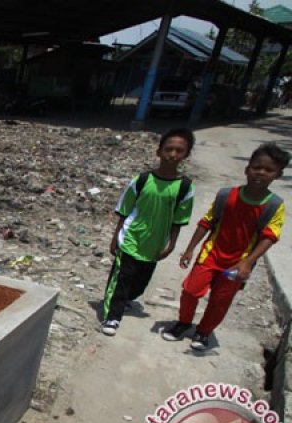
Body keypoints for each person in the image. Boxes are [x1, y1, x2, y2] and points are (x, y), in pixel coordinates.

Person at [162, 143, 289, 350]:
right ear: (247, 168)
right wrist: (190, 249)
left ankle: (203, 332)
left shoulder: (275, 205)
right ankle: (184, 322)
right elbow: (206, 222)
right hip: (211, 255)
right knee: (191, 292)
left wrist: (247, 262)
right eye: (257, 167)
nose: (261, 173)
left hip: (237, 264)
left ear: (277, 175)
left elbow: (269, 237)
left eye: (269, 170)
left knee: (220, 301)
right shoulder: (226, 196)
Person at [101, 128, 196, 336]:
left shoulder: (185, 187)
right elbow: (124, 210)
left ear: (186, 155)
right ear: (159, 151)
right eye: (168, 149)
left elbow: (178, 220)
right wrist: (115, 238)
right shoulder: (142, 180)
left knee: (140, 283)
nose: (173, 154)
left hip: (154, 244)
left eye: (179, 150)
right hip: (131, 237)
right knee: (122, 279)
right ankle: (112, 317)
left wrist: (171, 245)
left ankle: (125, 299)